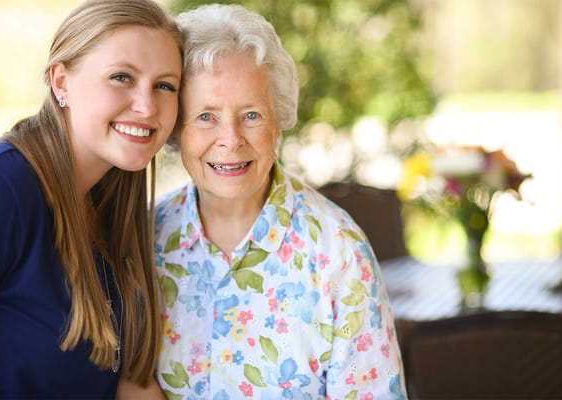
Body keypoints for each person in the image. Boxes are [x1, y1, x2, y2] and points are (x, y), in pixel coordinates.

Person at [154, 4, 407, 399]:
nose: (231, 139)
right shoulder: (143, 239)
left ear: (278, 119)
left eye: (251, 115)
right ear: (175, 127)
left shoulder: (338, 252)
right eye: (206, 116)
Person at [0, 0, 183, 398]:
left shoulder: (115, 211)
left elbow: (129, 384)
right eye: (121, 77)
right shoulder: (3, 186)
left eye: (165, 85)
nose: (147, 106)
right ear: (61, 82)